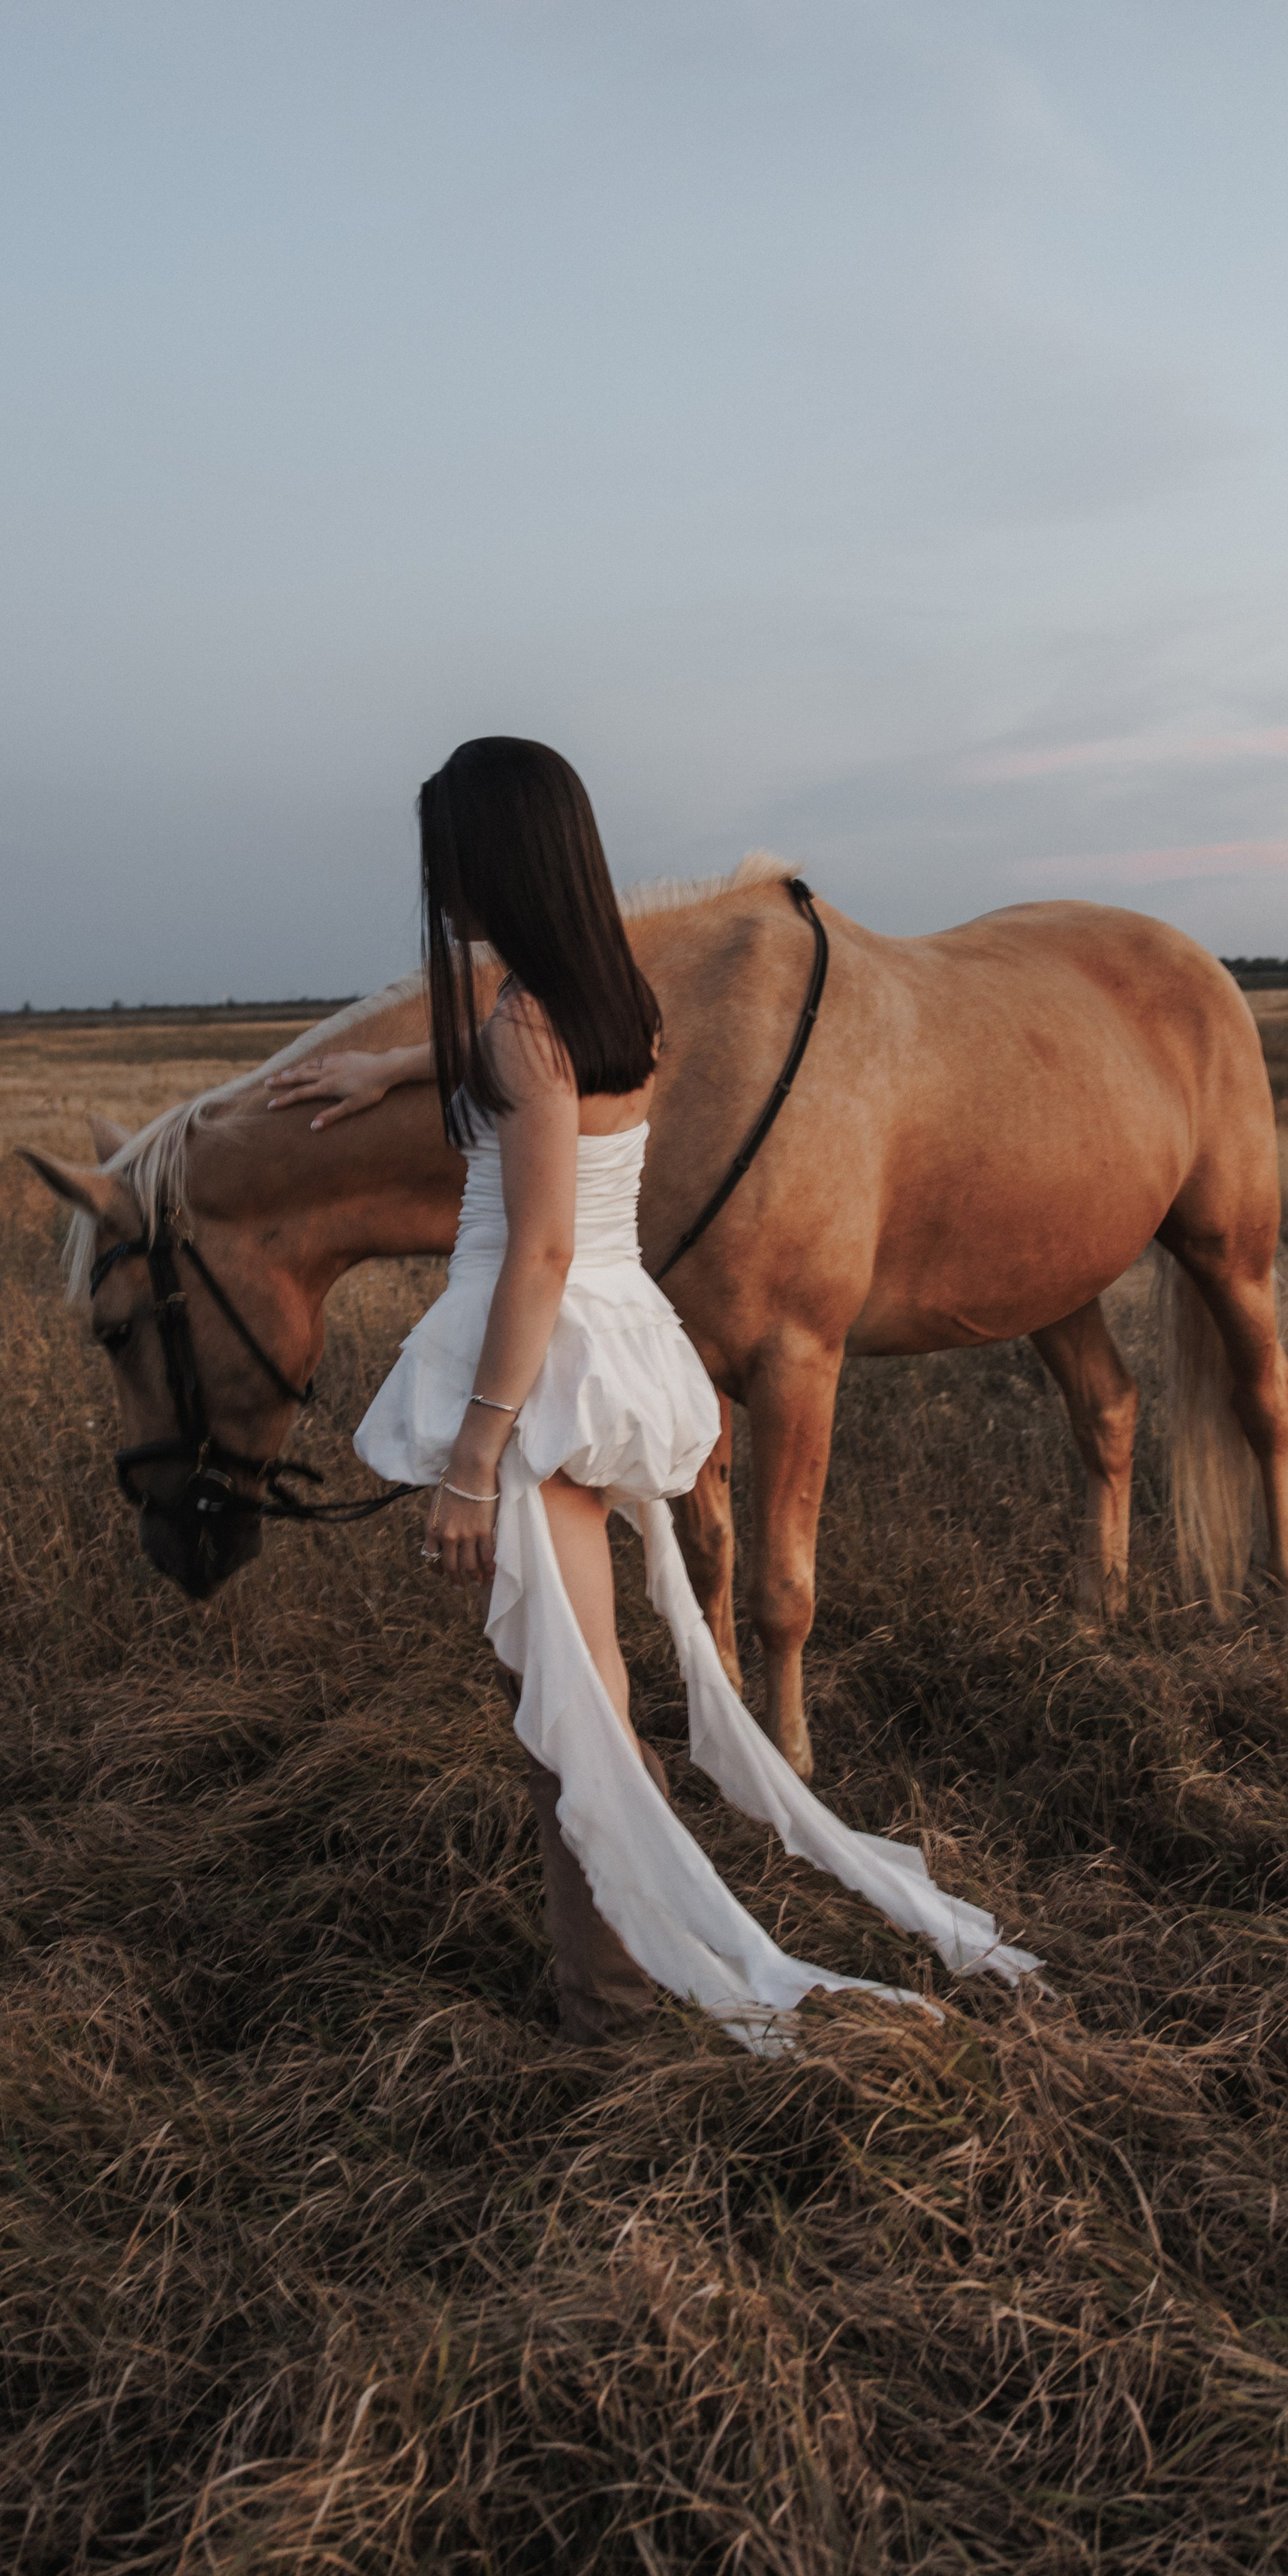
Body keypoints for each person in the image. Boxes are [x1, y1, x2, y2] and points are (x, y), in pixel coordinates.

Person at [268, 738, 1037, 2052]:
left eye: (450, 863)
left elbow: (542, 1251)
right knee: (584, 1681)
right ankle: (611, 1979)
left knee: (578, 1703)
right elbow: (541, 1100)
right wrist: (390, 1071)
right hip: (611, 1340)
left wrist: (469, 1462)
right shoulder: (610, 998)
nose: (439, 891)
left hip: (544, 1356)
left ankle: (613, 2007)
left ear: (494, 863)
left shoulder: (521, 1026)